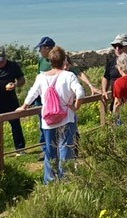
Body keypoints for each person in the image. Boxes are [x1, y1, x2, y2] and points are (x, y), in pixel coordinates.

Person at [21, 45, 87, 183]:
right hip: (66, 116)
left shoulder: (41, 77)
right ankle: (65, 178)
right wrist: (75, 107)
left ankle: (49, 180)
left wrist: (24, 106)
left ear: (50, 61)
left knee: (50, 151)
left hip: (48, 119)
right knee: (65, 148)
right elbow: (80, 92)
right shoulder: (68, 76)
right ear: (64, 61)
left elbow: (33, 93)